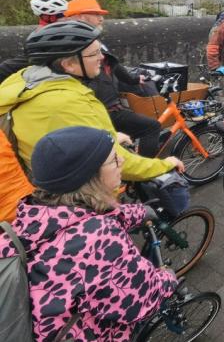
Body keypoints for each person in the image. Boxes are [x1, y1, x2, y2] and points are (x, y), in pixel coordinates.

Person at [0, 126, 177, 341]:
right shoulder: (100, 240)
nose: (122, 162)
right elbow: (143, 301)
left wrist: (139, 212)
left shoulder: (33, 214)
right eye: (113, 160)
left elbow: (87, 219)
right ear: (89, 177)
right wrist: (168, 278)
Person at [0, 20, 182, 182]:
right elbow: (118, 162)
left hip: (36, 176)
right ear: (68, 64)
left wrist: (111, 137)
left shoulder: (22, 81)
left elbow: (59, 132)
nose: (102, 58)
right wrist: (164, 165)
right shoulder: (71, 102)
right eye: (94, 54)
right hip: (74, 192)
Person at [65, 0, 162, 158]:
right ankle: (143, 179)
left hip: (106, 108)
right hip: (103, 111)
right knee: (152, 127)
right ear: (80, 17)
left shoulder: (91, 41)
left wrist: (134, 79)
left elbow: (114, 66)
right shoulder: (77, 45)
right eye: (96, 14)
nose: (101, 18)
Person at [0, 0, 68, 84]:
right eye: (62, 15)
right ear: (48, 17)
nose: (67, 17)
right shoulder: (41, 37)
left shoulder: (57, 29)